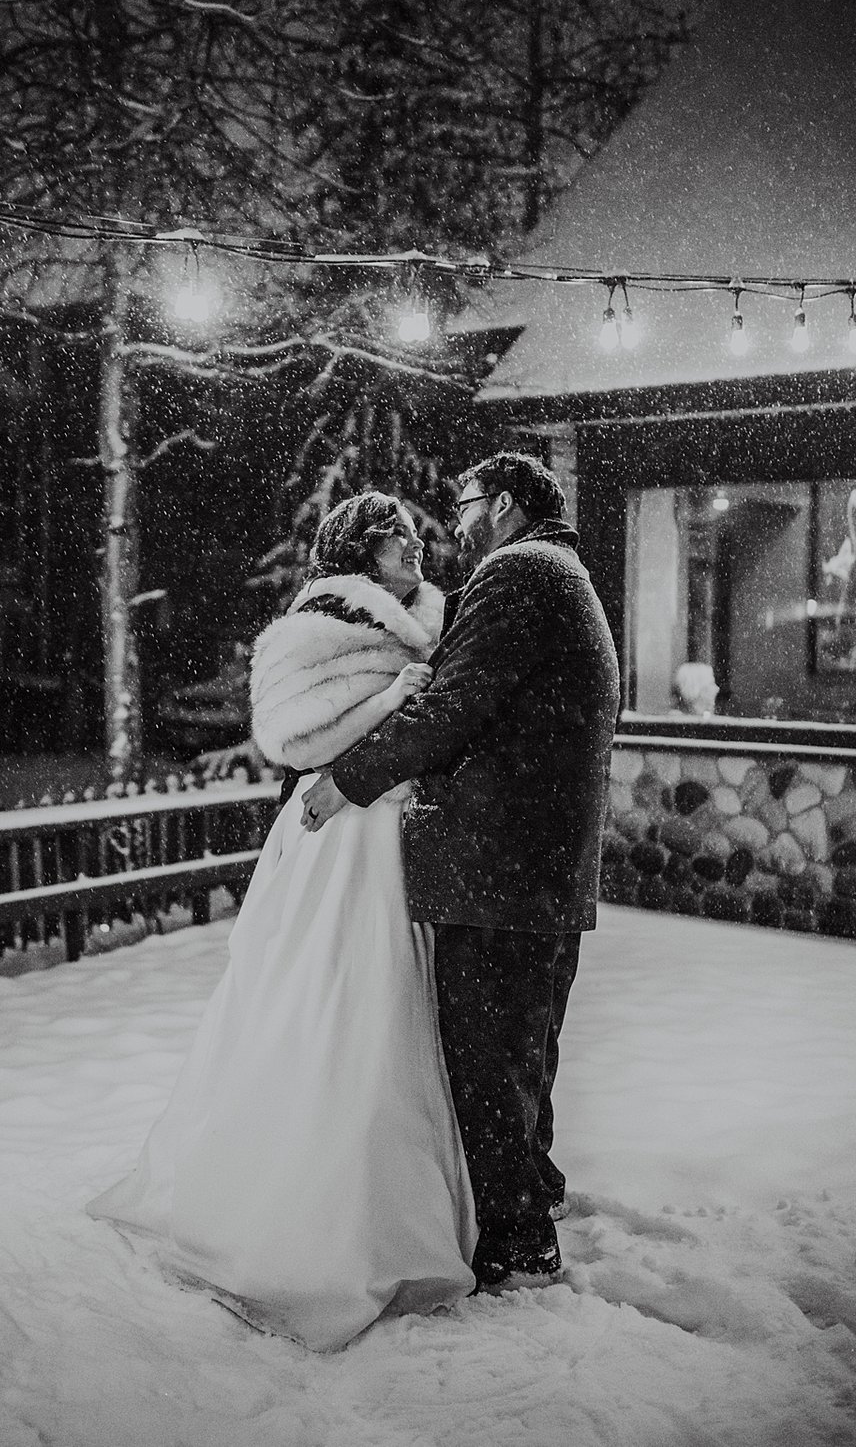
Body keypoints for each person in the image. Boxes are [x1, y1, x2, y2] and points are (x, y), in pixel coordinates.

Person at [87, 491, 476, 1351]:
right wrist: (391, 702)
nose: (415, 546)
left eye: (415, 534)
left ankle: (406, 1204)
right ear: (359, 552)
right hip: (339, 837)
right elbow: (294, 743)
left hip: (411, 833)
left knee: (403, 1011)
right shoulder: (308, 630)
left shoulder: (439, 621)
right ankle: (311, 1222)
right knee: (335, 1002)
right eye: (395, 537)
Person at [301, 453, 620, 1288]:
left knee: (488, 1060)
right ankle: (535, 1193)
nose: (457, 520)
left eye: (468, 502)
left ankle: (516, 1242)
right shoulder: (563, 572)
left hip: (501, 866)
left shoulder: (516, 573)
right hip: (543, 864)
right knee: (524, 1049)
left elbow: (455, 705)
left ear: (506, 505)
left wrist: (348, 779)